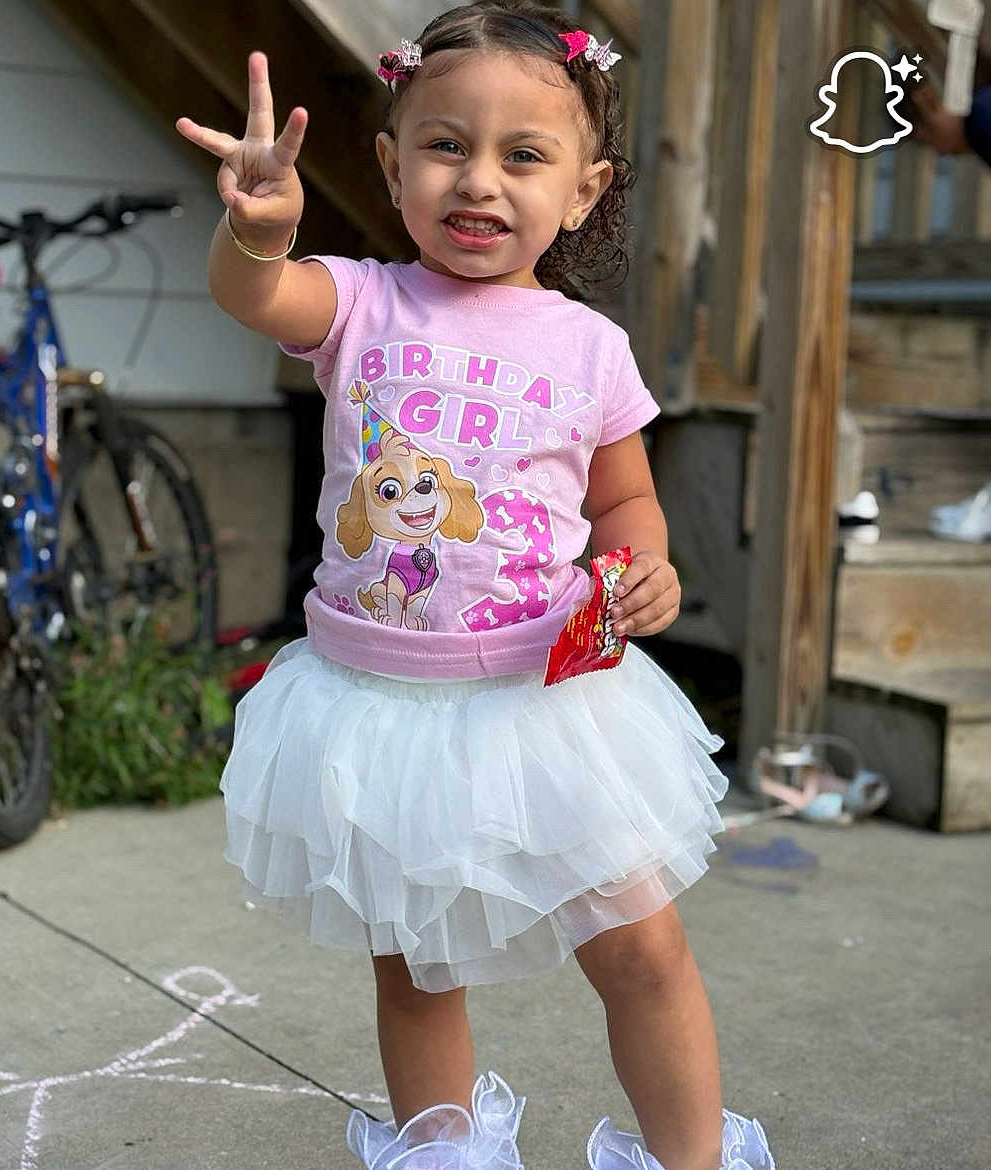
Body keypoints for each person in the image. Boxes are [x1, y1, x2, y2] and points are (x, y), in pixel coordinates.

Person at [177, 4, 775, 1169]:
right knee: (416, 964)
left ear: (584, 190)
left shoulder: (589, 348)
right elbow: (257, 296)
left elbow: (625, 501)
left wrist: (643, 565)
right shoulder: (357, 302)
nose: (480, 179)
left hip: (549, 705)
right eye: (446, 145)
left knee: (643, 951)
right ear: (392, 164)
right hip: (382, 708)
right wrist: (257, 233)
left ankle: (690, 1157)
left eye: (524, 154)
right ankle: (444, 1150)